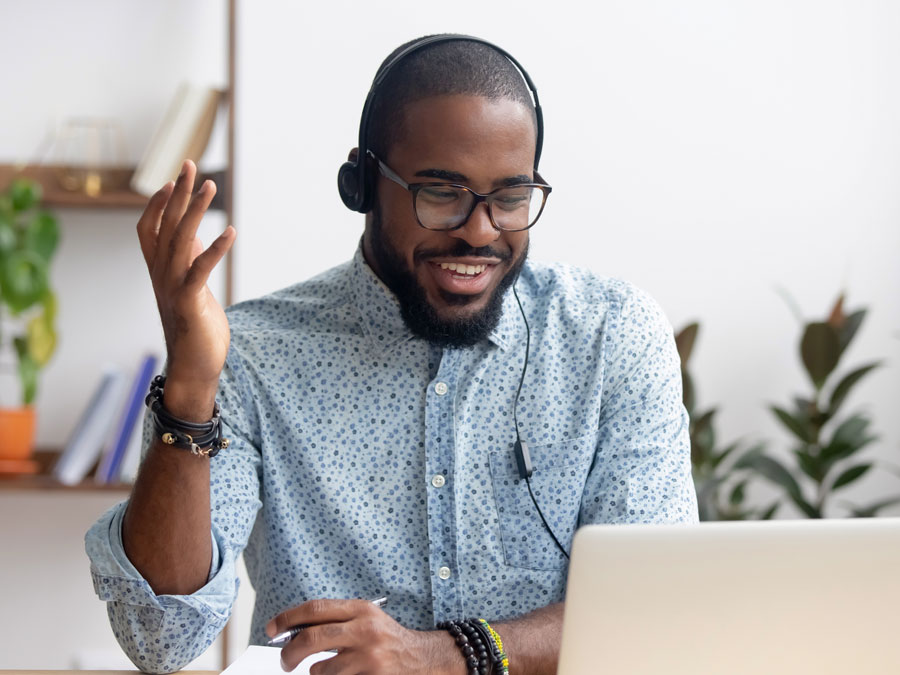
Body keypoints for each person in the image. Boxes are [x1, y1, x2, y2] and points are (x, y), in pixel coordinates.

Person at [86, 35, 698, 674]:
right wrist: (189, 387)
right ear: (363, 183)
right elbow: (160, 641)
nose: (480, 231)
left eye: (511, 199)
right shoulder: (251, 357)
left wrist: (446, 657)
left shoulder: (611, 335)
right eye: (441, 194)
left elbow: (655, 607)